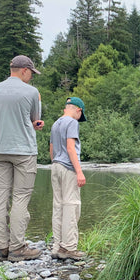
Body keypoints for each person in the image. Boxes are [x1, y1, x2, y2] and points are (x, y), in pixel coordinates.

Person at [0, 55, 44, 262]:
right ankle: (18, 247)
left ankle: (1, 248)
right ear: (24, 70)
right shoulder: (32, 92)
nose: (31, 77)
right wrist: (37, 124)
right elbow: (34, 120)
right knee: (20, 196)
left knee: (0, 195)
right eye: (31, 73)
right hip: (24, 151)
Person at [49, 97, 87, 260]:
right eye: (81, 114)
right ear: (78, 110)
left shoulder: (56, 123)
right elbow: (71, 147)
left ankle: (57, 246)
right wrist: (79, 171)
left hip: (56, 165)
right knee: (71, 206)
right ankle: (69, 247)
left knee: (58, 206)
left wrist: (55, 162)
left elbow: (51, 149)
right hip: (68, 167)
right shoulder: (72, 122)